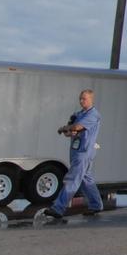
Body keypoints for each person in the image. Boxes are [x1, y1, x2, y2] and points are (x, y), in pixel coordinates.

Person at [42, 89, 103, 222]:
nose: (81, 101)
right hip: (76, 151)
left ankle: (58, 208)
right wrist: (68, 129)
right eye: (80, 98)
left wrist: (67, 128)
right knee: (87, 180)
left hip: (84, 152)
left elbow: (77, 127)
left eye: (84, 99)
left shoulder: (93, 115)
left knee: (72, 179)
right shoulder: (79, 114)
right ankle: (96, 205)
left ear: (91, 99)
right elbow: (70, 130)